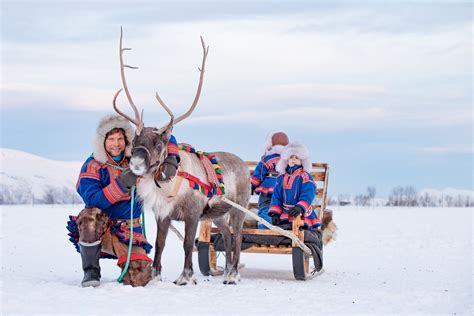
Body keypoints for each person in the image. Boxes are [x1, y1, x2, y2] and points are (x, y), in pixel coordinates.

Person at [67, 114, 159, 287]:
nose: (116, 144)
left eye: (120, 139)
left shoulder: (135, 162)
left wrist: (171, 158)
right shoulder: (93, 164)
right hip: (103, 229)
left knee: (138, 280)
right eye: (111, 139)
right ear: (103, 141)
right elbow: (93, 199)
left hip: (130, 229)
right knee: (89, 216)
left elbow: (166, 138)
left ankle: (134, 264)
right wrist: (121, 184)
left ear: (127, 141)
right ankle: (91, 270)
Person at [268, 143, 320, 229]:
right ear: (286, 159)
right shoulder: (281, 177)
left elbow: (308, 194)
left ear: (302, 161)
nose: (293, 160)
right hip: (285, 214)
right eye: (291, 157)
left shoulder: (305, 177)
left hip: (301, 214)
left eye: (297, 158)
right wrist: (275, 213)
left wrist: (300, 207)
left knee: (301, 232)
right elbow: (276, 196)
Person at [251, 132, 289, 229]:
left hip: (268, 190)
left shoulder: (267, 159)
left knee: (265, 208)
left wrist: (252, 185)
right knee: (284, 209)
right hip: (284, 191)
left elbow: (258, 174)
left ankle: (264, 229)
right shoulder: (289, 160)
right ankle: (282, 229)